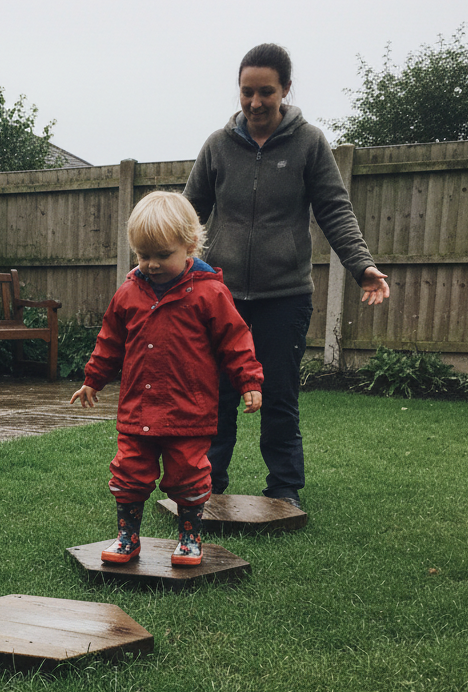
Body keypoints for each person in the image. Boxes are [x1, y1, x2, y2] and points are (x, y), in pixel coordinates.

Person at [184, 43, 389, 510]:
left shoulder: (309, 143)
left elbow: (335, 210)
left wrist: (363, 266)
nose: (255, 103)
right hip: (221, 294)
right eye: (246, 92)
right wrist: (158, 262)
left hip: (286, 294)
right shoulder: (217, 146)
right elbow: (188, 214)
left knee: (278, 393)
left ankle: (284, 488)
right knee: (217, 392)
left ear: (286, 91)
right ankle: (207, 482)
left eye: (266, 93)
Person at [70, 191, 263, 567]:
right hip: (138, 410)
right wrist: (93, 379)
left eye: (162, 255)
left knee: (189, 477)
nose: (152, 264)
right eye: (143, 256)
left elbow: (236, 340)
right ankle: (128, 537)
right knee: (129, 473)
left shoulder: (210, 293)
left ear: (190, 245)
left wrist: (249, 382)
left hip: (188, 411)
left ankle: (189, 538)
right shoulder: (128, 292)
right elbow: (110, 341)